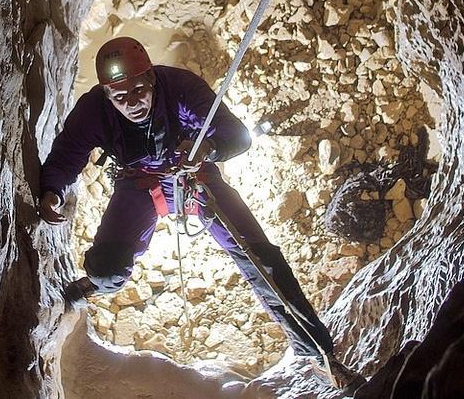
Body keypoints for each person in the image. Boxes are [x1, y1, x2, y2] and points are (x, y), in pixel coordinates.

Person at [38, 36, 364, 392]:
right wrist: (53, 189)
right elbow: (67, 152)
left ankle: (318, 354)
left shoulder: (179, 88)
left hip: (195, 176)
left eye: (139, 90)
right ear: (106, 94)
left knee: (259, 257)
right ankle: (95, 286)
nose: (132, 103)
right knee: (107, 267)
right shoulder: (94, 111)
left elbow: (237, 135)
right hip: (140, 186)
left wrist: (208, 147)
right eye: (120, 97)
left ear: (151, 77)